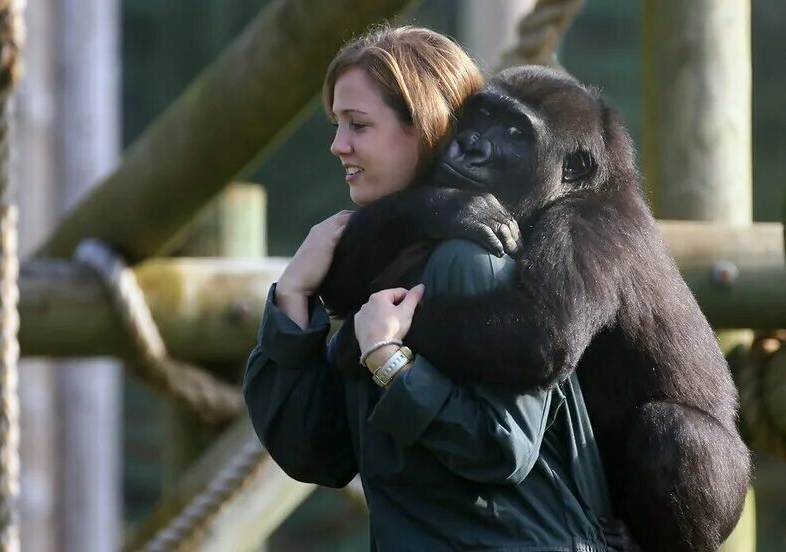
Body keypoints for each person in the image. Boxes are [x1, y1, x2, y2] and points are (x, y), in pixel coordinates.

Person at [243, 25, 614, 551]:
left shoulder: (475, 258)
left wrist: (390, 362)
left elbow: (501, 448)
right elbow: (315, 454)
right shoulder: (388, 266)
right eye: (336, 124)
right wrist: (292, 300)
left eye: (358, 125)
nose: (337, 144)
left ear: (424, 126)